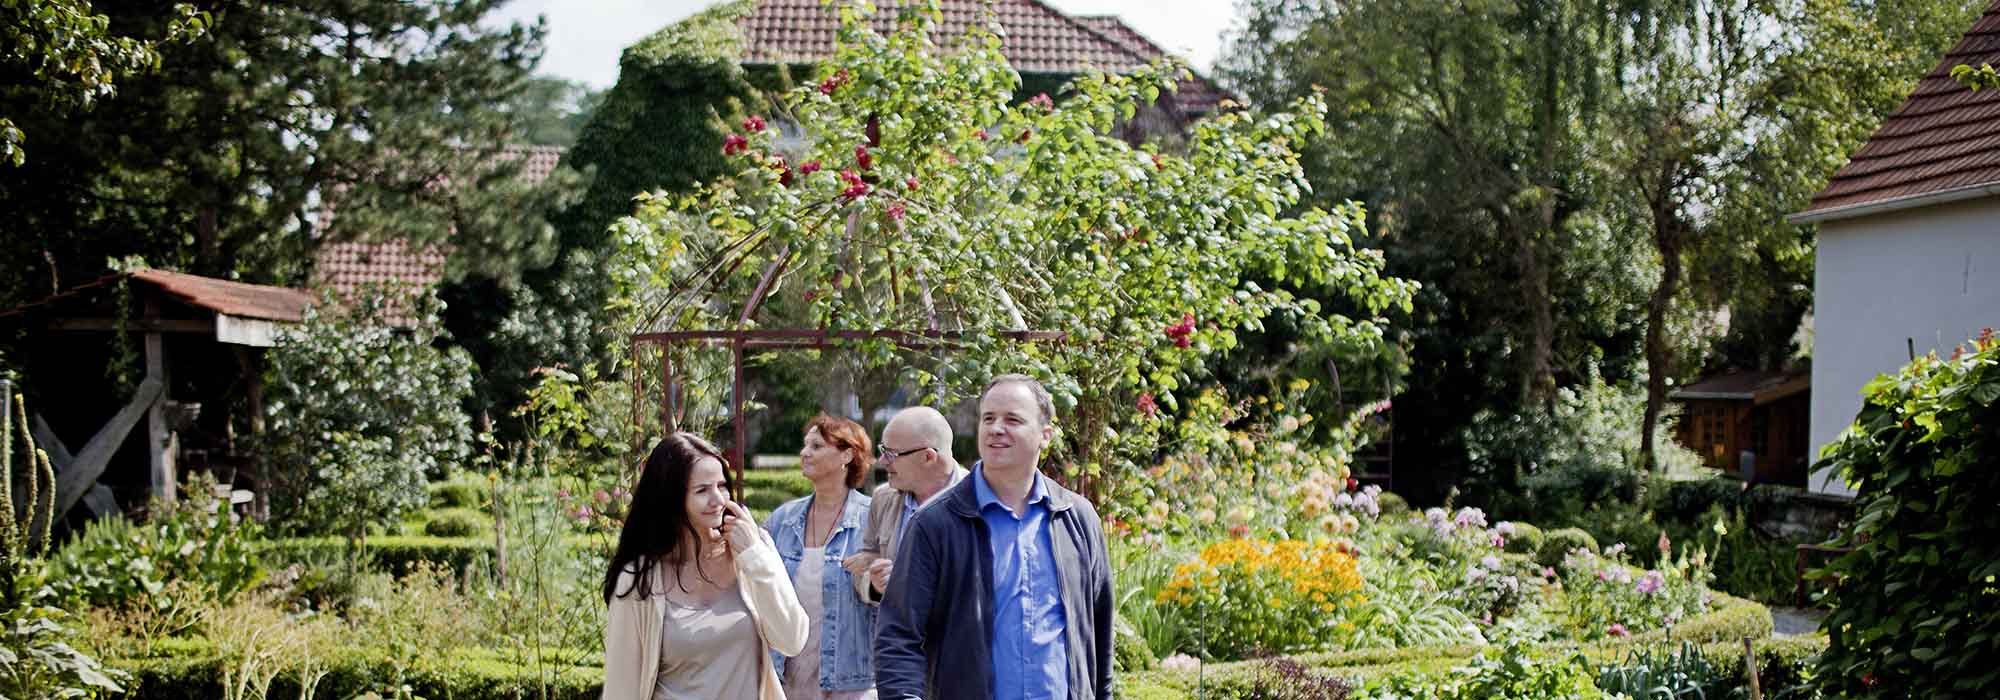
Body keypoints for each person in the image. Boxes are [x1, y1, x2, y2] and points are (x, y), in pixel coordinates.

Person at [875, 375, 1114, 700]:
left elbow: (1099, 637)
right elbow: (898, 636)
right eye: (989, 418)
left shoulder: (1078, 519)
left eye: (1012, 419)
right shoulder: (936, 525)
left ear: (1046, 435)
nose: (996, 428)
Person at [601, 432, 808, 700]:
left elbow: (792, 640)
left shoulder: (753, 550)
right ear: (671, 498)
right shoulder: (638, 581)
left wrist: (754, 556)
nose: (719, 499)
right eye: (702, 490)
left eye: (721, 485)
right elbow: (622, 689)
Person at [764, 415, 878, 700]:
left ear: (847, 455)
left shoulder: (872, 518)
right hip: (786, 681)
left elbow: (890, 595)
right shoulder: (782, 520)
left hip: (850, 685)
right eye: (805, 445)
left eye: (816, 446)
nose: (805, 452)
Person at [841, 406, 969, 604]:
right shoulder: (883, 498)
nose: (882, 461)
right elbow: (863, 568)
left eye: (891, 454)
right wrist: (875, 586)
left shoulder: (977, 502)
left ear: (928, 457)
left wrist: (908, 581)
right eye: (882, 450)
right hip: (897, 634)